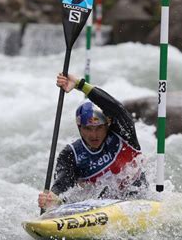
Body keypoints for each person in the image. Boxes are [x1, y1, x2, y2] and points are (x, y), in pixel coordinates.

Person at [38, 73, 147, 210]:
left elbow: (116, 108)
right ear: (79, 127)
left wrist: (80, 84)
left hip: (137, 201)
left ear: (107, 124)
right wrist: (53, 198)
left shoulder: (124, 136)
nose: (93, 135)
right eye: (88, 129)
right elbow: (63, 183)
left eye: (99, 128)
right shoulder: (72, 153)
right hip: (100, 210)